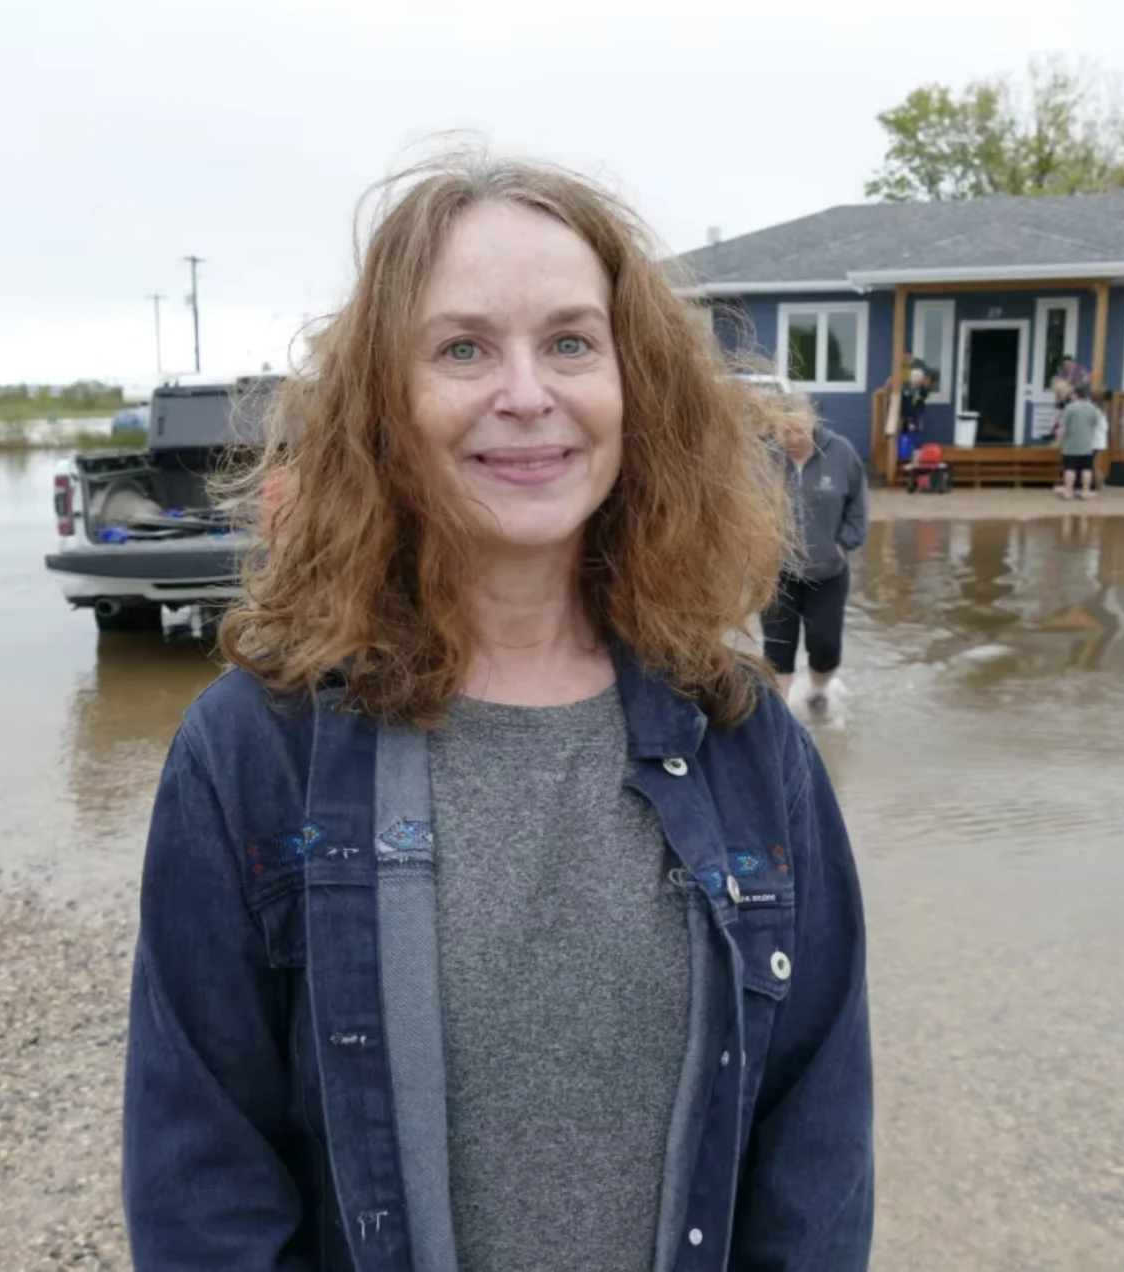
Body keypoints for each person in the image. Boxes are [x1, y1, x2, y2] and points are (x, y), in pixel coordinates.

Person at [122, 152, 874, 1272]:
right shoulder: (254, 753)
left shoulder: (749, 748)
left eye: (571, 342)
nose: (527, 395)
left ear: (637, 390)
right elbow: (205, 1186)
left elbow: (813, 1160)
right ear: (385, 403)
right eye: (464, 347)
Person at [761, 393, 868, 711]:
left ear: (813, 423)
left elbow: (858, 506)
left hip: (828, 571)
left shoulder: (841, 453)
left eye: (799, 430)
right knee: (777, 645)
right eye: (785, 432)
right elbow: (747, 507)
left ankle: (818, 694)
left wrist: (844, 544)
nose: (793, 438)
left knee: (825, 645)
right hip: (777, 572)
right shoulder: (765, 459)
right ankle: (780, 712)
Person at [1056, 385, 1100, 499]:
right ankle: (1085, 491)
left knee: (1070, 468)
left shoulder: (1070, 408)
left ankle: (1069, 491)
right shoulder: (1093, 408)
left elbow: (1062, 427)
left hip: (1071, 444)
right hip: (1086, 444)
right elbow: (1095, 424)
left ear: (1076, 394)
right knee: (1087, 468)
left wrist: (1059, 441)